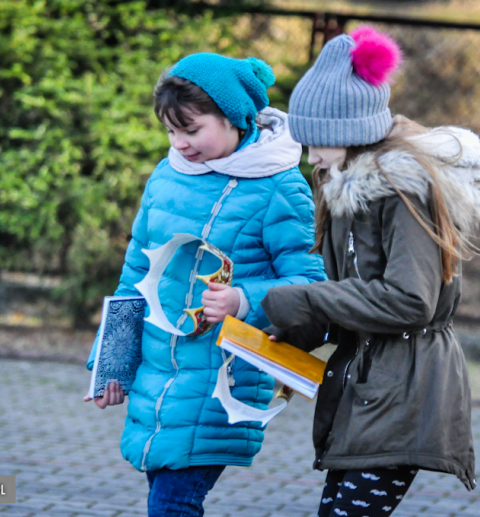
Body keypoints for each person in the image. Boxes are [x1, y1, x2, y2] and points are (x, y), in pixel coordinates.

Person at [260, 27, 480, 517]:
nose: (310, 157)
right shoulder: (342, 188)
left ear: (349, 131)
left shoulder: (403, 192)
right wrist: (285, 339)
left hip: (406, 387)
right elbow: (344, 299)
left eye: (317, 142)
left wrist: (308, 300)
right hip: (364, 387)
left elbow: (410, 301)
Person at [82, 52, 325, 517]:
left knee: (172, 503)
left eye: (192, 130)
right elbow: (136, 274)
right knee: (167, 494)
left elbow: (311, 283)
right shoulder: (166, 175)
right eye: (171, 131)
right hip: (157, 373)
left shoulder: (279, 186)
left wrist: (243, 298)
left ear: (235, 117)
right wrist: (110, 363)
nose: (180, 143)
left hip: (220, 379)